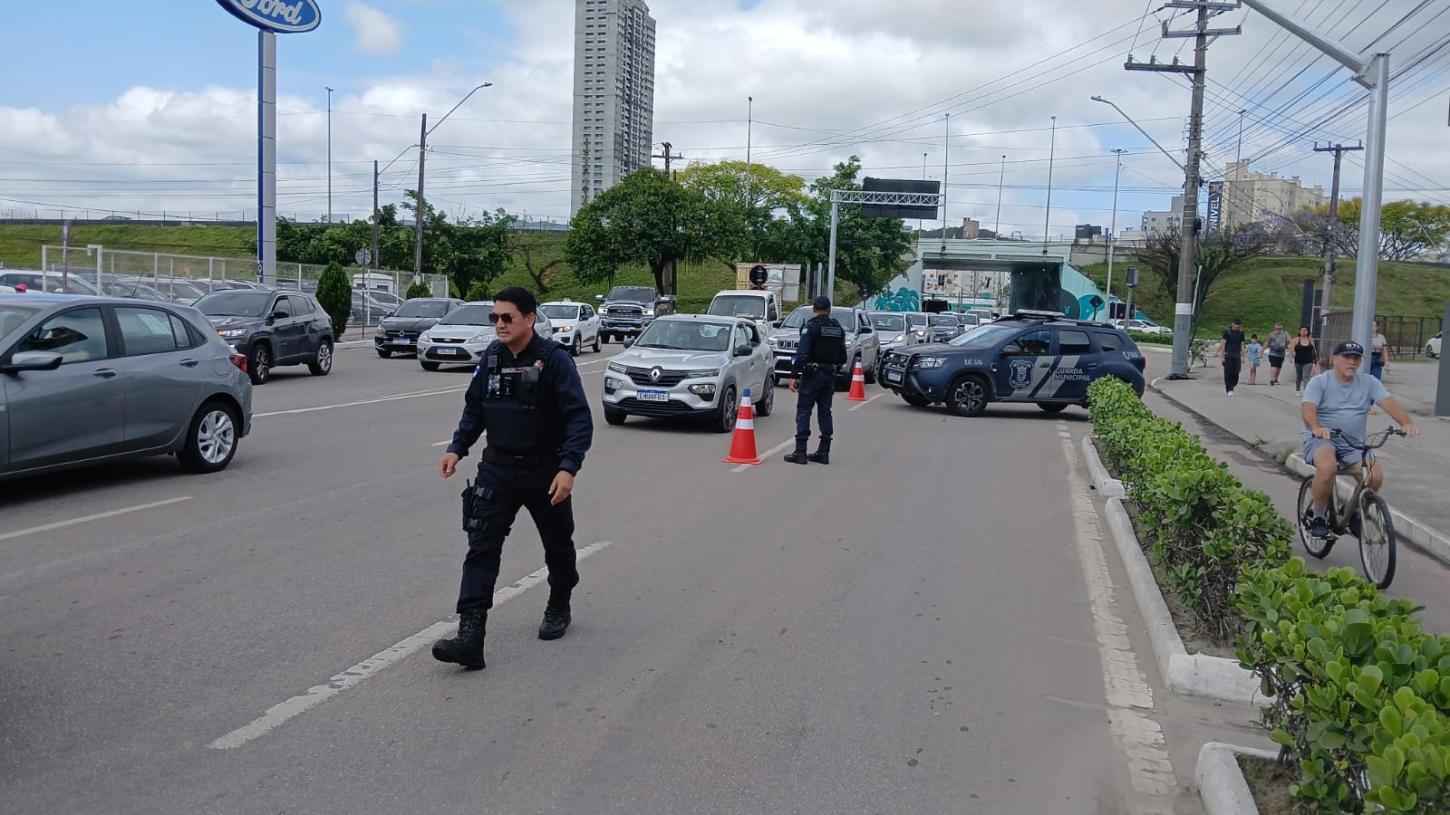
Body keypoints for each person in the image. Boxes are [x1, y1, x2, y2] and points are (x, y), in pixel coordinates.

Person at [432, 287, 594, 671]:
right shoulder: (491, 358)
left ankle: (559, 603)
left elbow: (579, 419)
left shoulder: (554, 361)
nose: (499, 325)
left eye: (507, 318)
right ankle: (471, 637)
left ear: (529, 319)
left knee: (557, 544)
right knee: (481, 547)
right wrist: (457, 448)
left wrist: (568, 468)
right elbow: (475, 408)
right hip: (498, 468)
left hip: (545, 470)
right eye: (495, 318)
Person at [1300, 341, 1419, 539]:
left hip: (1353, 443)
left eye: (1356, 358)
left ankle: (1352, 511)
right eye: (1347, 357)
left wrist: (1406, 423)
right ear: (1334, 359)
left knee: (1375, 476)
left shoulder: (1369, 382)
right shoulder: (1320, 382)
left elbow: (1389, 403)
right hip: (1320, 439)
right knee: (1328, 467)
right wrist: (1316, 427)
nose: (1352, 362)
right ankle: (1319, 518)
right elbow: (1307, 408)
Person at [786, 296, 847, 465]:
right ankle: (823, 451)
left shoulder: (811, 327)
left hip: (812, 374)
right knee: (825, 411)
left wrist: (793, 375)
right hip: (830, 376)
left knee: (804, 410)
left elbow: (802, 353)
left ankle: (800, 451)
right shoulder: (838, 329)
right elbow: (843, 356)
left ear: (814, 309)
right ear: (829, 310)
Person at [1218, 318, 1247, 396]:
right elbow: (1223, 344)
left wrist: (1243, 356)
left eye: (1238, 324)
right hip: (1228, 354)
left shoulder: (1241, 333)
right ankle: (1229, 389)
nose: (1236, 325)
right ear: (1232, 324)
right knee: (1228, 372)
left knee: (1236, 371)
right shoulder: (1227, 332)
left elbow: (1242, 344)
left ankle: (1233, 384)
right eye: (1235, 323)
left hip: (1236, 354)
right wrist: (1222, 356)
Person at [1292, 325, 1317, 393]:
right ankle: (1298, 390)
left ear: (1308, 331)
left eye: (1305, 330)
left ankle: (1306, 391)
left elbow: (1314, 350)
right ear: (1299, 331)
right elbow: (1291, 349)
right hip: (1298, 360)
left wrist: (1315, 361)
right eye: (1302, 330)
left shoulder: (1311, 339)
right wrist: (1292, 355)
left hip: (1308, 361)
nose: (1303, 332)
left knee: (1306, 376)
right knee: (1299, 375)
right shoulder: (1296, 339)